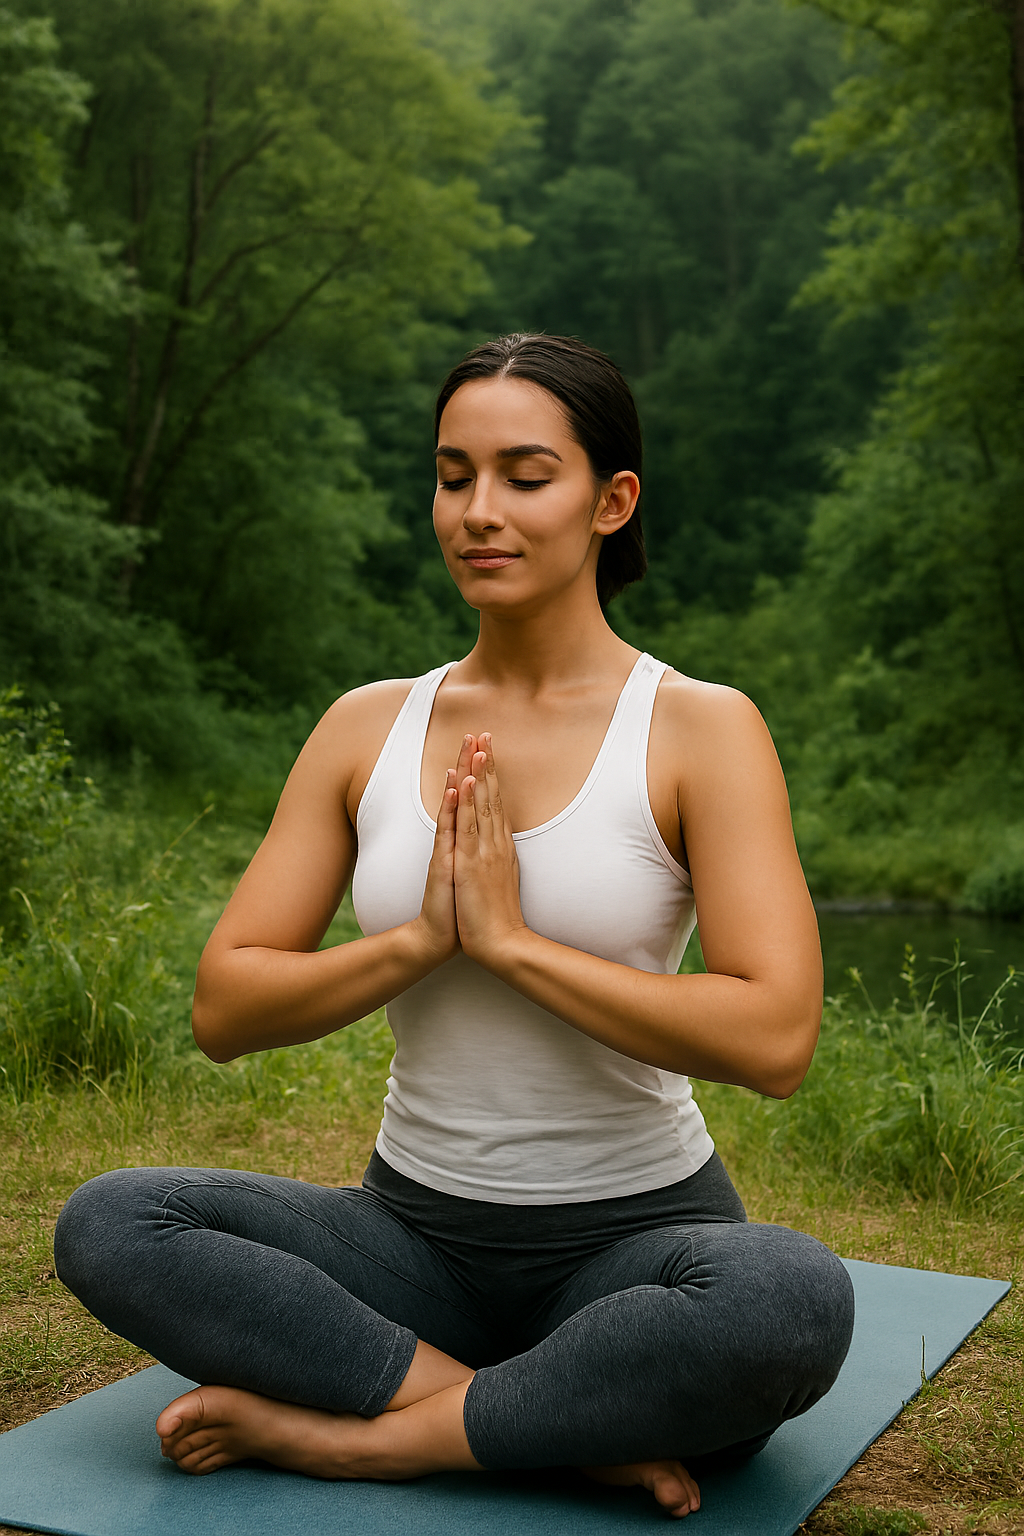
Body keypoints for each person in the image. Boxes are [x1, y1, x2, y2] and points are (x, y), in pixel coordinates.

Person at [54, 333, 854, 1520]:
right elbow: (225, 1008)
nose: (478, 512)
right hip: (408, 1243)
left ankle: (369, 1438)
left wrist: (515, 944)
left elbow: (775, 1037)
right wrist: (421, 941)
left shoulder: (697, 728)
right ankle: (546, 1425)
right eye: (452, 474)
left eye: (526, 476)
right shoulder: (365, 726)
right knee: (113, 1221)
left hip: (636, 1247)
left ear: (608, 500)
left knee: (788, 1299)